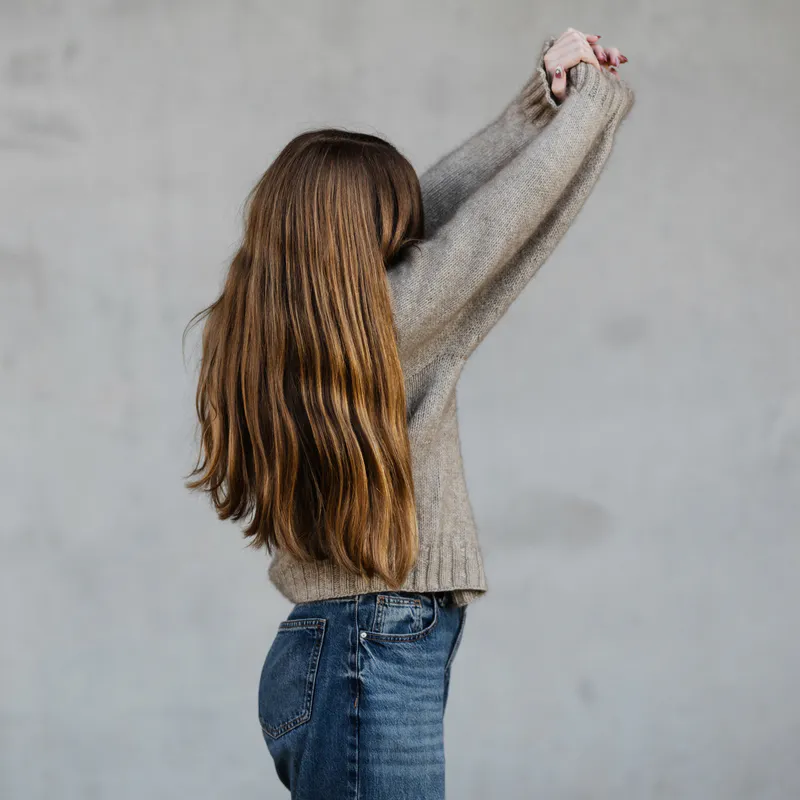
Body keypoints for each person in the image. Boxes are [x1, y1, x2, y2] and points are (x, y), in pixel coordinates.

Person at [184, 26, 634, 800]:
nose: (411, 238)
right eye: (394, 228)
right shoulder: (393, 322)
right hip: (372, 650)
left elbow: (441, 210)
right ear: (368, 244)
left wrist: (537, 107)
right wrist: (588, 102)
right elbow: (495, 223)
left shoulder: (252, 324)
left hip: (326, 648)